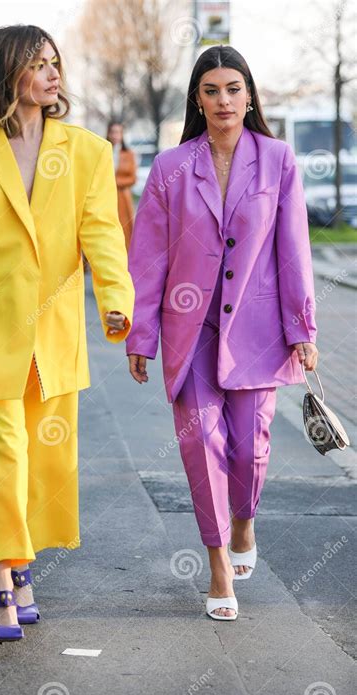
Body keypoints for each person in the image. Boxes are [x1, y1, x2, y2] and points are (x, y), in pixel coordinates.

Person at [0, 24, 134, 643]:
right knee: (0, 461)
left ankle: (23, 565)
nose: (53, 73)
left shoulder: (88, 153)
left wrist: (116, 302)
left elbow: (102, 238)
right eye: (39, 63)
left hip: (55, 337)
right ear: (10, 73)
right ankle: (1, 584)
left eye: (55, 62)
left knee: (42, 464)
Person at [125, 45, 318, 622]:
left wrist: (302, 328)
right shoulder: (170, 168)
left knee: (250, 449)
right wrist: (142, 334)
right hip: (193, 331)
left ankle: (243, 523)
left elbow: (294, 248)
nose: (223, 100)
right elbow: (149, 257)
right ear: (198, 99)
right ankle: (215, 566)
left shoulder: (279, 159)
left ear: (250, 95)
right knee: (199, 446)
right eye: (212, 91)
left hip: (258, 332)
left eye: (233, 89)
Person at [106, 121, 137, 249]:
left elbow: (132, 178)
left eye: (118, 132)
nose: (115, 135)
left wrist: (114, 182)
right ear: (108, 133)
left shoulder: (128, 154)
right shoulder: (103, 150)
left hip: (122, 198)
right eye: (113, 132)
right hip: (105, 196)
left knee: (124, 230)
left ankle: (126, 263)